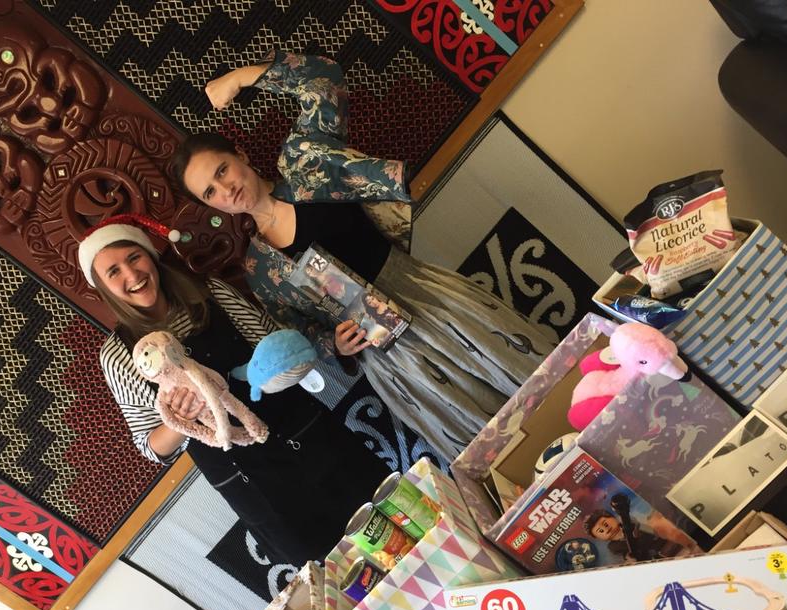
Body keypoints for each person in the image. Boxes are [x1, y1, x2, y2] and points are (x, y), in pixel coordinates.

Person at [171, 51, 557, 462]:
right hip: (391, 359)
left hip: (429, 298)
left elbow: (324, 81)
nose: (225, 189)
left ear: (240, 156)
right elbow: (299, 335)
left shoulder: (304, 166)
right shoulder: (259, 269)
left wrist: (240, 78)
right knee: (490, 442)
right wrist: (334, 344)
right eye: (210, 192)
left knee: (529, 376)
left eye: (222, 171)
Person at [79, 214, 388, 566]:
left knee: (390, 517)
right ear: (102, 287)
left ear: (151, 256)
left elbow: (276, 342)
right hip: (253, 482)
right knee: (341, 572)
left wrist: (315, 351)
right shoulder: (118, 354)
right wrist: (179, 420)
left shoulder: (209, 292)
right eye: (113, 272)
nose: (131, 275)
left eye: (133, 258)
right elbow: (150, 446)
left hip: (310, 434)